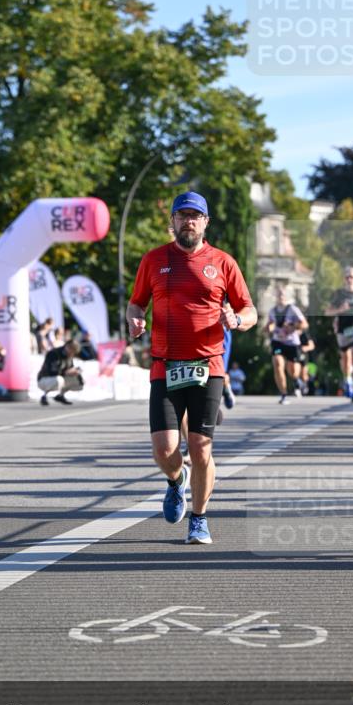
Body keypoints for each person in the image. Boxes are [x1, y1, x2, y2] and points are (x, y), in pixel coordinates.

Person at [127, 191, 257, 545]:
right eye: (182, 215)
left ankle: (199, 519)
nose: (188, 221)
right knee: (164, 450)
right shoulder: (153, 261)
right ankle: (174, 481)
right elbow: (135, 304)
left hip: (207, 365)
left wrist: (237, 319)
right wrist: (135, 320)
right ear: (172, 221)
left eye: (195, 216)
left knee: (200, 447)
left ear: (205, 223)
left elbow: (250, 311)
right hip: (164, 366)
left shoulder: (223, 262)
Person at [325, 267, 353, 403]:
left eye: (352, 277)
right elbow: (327, 312)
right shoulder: (339, 294)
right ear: (344, 279)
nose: (350, 279)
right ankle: (348, 380)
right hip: (343, 329)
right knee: (346, 359)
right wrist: (340, 309)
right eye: (347, 277)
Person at [266, 286, 308, 404]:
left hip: (292, 343)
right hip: (278, 342)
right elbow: (269, 325)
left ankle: (295, 379)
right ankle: (284, 394)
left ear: (287, 296)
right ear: (275, 297)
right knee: (278, 363)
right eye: (279, 294)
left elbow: (304, 324)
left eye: (283, 294)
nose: (281, 296)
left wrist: (292, 327)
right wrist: (269, 328)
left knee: (293, 370)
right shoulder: (272, 311)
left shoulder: (293, 309)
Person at [38, 339, 83, 405]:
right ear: (67, 347)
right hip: (44, 379)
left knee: (79, 381)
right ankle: (44, 396)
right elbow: (52, 371)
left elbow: (70, 368)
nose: (72, 354)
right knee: (59, 380)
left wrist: (76, 371)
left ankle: (60, 396)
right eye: (72, 351)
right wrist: (66, 372)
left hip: (60, 377)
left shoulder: (69, 356)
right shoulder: (53, 353)